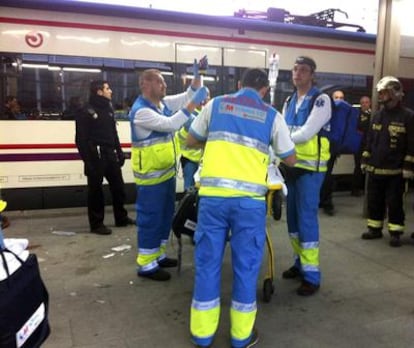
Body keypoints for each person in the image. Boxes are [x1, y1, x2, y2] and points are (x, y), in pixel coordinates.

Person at [187, 68, 296, 348]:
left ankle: (202, 334)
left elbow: (191, 139)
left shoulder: (216, 104)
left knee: (208, 264)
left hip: (212, 199)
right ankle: (240, 337)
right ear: (264, 91)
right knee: (246, 268)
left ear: (238, 85)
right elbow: (291, 158)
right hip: (249, 204)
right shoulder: (272, 115)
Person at [129, 62, 208, 281]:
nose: (164, 85)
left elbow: (186, 96)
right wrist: (193, 104)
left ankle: (159, 255)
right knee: (150, 218)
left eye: (164, 81)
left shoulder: (160, 103)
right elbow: (172, 123)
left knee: (164, 216)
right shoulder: (141, 112)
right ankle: (146, 264)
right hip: (150, 178)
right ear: (145, 84)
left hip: (166, 173)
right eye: (159, 81)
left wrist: (198, 75)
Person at [281, 56, 332, 296]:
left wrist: (279, 141)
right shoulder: (289, 100)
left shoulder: (320, 100)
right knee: (292, 219)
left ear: (312, 75)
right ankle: (299, 262)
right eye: (295, 69)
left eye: (303, 70)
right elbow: (281, 126)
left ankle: (312, 276)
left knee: (306, 219)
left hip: (310, 170)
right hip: (290, 167)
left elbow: (307, 132)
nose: (297, 73)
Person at [75, 80, 135, 235]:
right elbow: (80, 139)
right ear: (99, 91)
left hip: (109, 153)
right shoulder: (86, 111)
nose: (111, 91)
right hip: (96, 154)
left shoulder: (108, 109)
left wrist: (119, 152)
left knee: (118, 187)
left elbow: (113, 133)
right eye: (108, 88)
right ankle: (96, 224)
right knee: (95, 190)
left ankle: (121, 217)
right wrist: (87, 161)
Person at [361, 76, 414, 247]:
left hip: (396, 171)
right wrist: (365, 158)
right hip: (375, 168)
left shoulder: (408, 116)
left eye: (384, 92)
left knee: (395, 202)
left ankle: (395, 232)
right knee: (374, 200)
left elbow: (412, 144)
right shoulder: (377, 116)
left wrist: (408, 166)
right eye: (380, 93)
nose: (381, 96)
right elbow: (370, 139)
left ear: (395, 93)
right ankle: (374, 228)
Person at [176, 89, 210, 190]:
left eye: (208, 96)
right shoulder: (188, 115)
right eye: (204, 96)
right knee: (190, 190)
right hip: (190, 159)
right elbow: (182, 138)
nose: (206, 98)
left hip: (203, 161)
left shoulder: (206, 113)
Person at [319, 89, 344, 216]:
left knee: (325, 176)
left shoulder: (324, 110)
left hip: (326, 148)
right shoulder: (336, 112)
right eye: (336, 97)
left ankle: (326, 202)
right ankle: (325, 201)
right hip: (330, 148)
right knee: (326, 175)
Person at [351, 95, 371, 196]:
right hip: (360, 144)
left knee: (369, 167)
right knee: (358, 167)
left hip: (371, 144)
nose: (364, 104)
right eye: (362, 102)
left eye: (366, 102)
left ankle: (366, 188)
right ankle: (355, 189)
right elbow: (359, 127)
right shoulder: (357, 115)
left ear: (370, 103)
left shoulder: (374, 114)